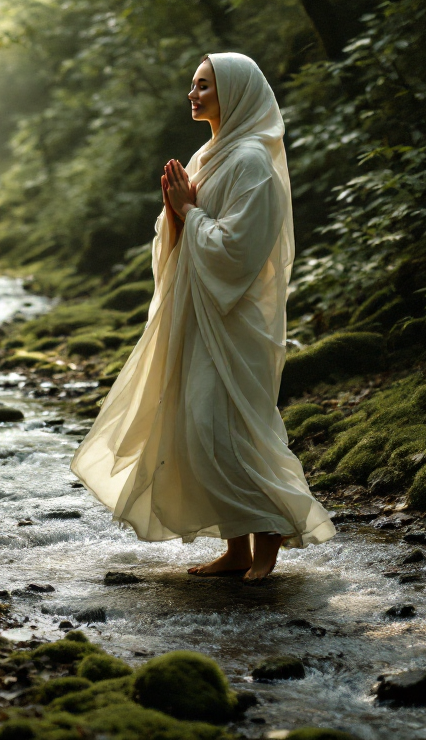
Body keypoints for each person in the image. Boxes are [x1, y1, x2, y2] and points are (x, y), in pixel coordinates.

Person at [70, 52, 334, 582]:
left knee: (226, 427)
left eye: (205, 86)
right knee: (198, 426)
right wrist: (175, 213)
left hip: (235, 321)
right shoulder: (206, 156)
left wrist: (188, 212)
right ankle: (237, 549)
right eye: (192, 84)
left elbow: (238, 249)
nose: (193, 94)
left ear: (234, 93)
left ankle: (270, 540)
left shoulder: (252, 162)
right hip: (197, 315)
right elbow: (179, 239)